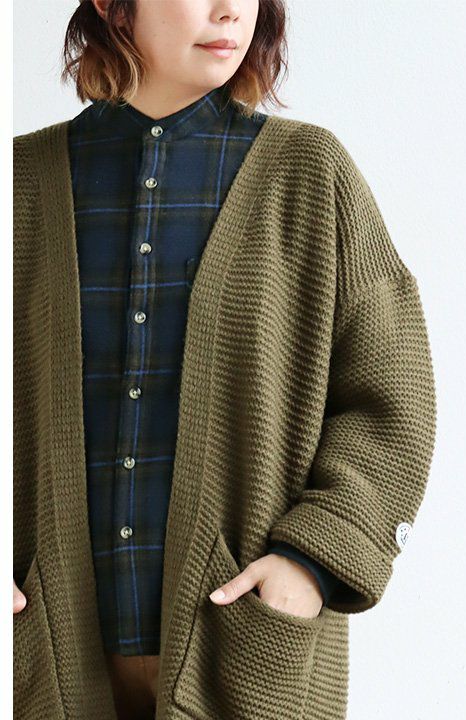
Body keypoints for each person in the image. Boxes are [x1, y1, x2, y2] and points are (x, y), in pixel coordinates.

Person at [13, 1, 437, 719]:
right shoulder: (19, 182)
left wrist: (311, 562)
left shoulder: (309, 173)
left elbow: (392, 395)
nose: (231, 10)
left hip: (244, 645)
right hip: (38, 648)